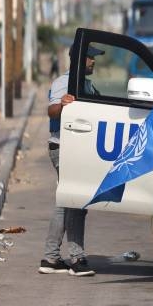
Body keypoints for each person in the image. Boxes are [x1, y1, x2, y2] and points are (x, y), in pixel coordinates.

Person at [39, 46, 104, 276]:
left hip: (78, 149)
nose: (93, 61)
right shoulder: (63, 82)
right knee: (76, 200)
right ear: (78, 59)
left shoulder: (87, 85)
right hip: (64, 148)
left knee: (66, 202)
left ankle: (51, 258)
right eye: (90, 57)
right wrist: (63, 104)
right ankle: (77, 259)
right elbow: (51, 111)